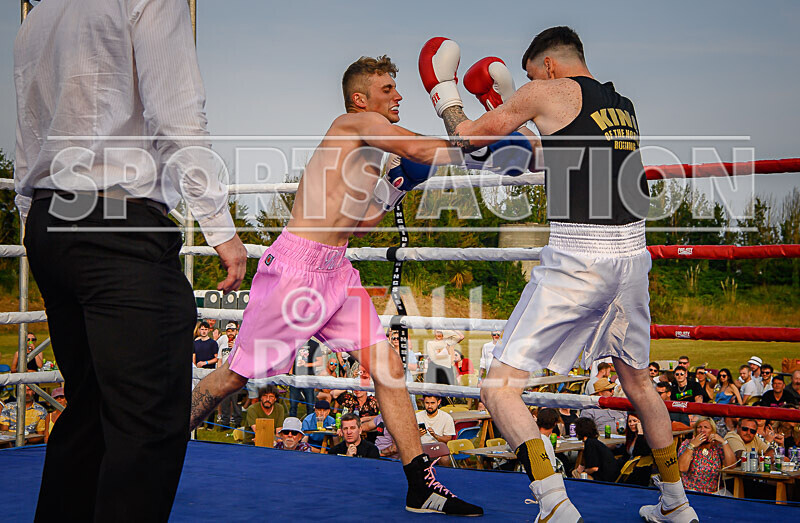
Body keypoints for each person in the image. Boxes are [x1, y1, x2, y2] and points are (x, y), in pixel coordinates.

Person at [187, 54, 481, 515]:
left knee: (388, 367)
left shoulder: (369, 150)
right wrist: (476, 138)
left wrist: (396, 188)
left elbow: (356, 226)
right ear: (361, 98)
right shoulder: (351, 123)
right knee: (233, 377)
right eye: (388, 89)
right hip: (296, 271)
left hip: (336, 271)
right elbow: (423, 149)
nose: (399, 95)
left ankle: (419, 486)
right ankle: (155, 442)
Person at [423, 27, 695, 520]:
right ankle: (676, 505)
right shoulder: (623, 106)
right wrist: (510, 110)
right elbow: (534, 157)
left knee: (498, 388)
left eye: (529, 75)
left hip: (580, 256)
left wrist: (445, 93)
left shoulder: (544, 90)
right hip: (633, 255)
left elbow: (466, 140)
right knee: (638, 383)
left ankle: (554, 503)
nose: (527, 83)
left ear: (548, 65)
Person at [677, 417, 735, 494]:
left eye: (706, 427)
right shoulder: (687, 444)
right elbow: (682, 468)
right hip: (692, 491)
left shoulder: (717, 446)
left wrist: (724, 442)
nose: (702, 430)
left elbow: (731, 466)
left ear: (712, 431)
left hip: (715, 492)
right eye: (699, 427)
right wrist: (692, 446)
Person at [573, 417, 619, 482]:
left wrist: (583, 470)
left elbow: (594, 468)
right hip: (612, 473)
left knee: (575, 473)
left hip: (604, 477)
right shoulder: (594, 442)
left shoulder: (590, 444)